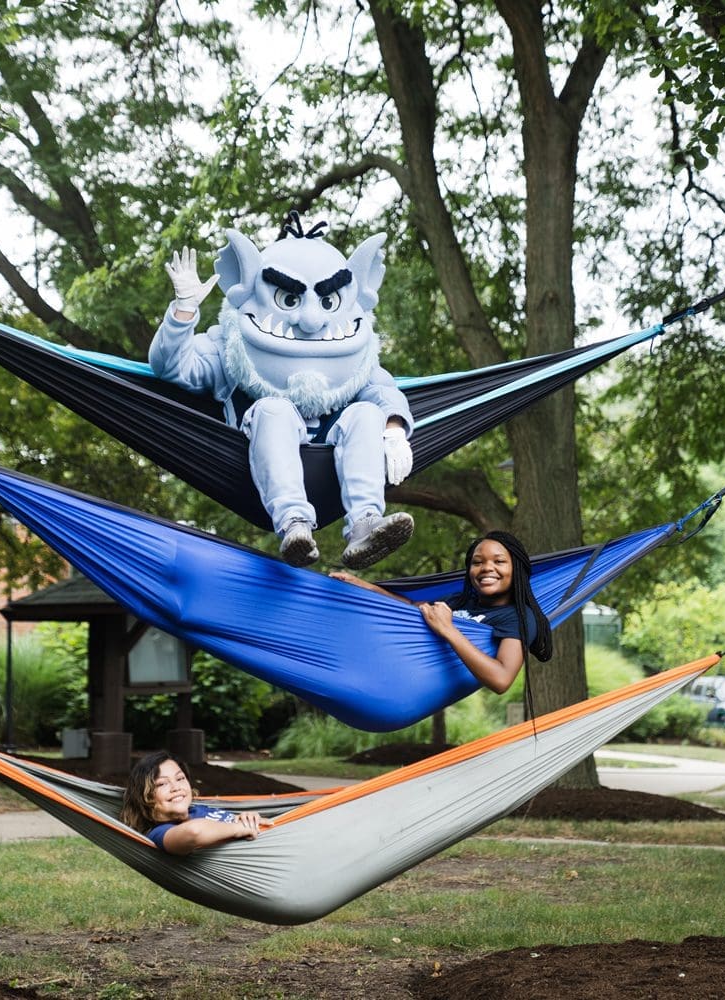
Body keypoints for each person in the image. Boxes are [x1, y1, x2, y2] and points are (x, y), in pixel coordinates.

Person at [149, 214, 415, 569]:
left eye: (327, 302)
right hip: (253, 462)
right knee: (274, 410)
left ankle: (365, 524)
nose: (310, 320)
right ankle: (294, 524)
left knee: (368, 413)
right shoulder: (228, 348)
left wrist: (395, 428)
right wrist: (184, 310)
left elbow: (383, 391)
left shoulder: (357, 362)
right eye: (289, 300)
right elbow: (172, 366)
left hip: (332, 461)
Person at [331, 530, 553, 694]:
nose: (486, 568)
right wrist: (365, 587)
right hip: (397, 676)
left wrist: (448, 629)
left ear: (517, 569)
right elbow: (410, 608)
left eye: (499, 561)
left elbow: (502, 679)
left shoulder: (519, 617)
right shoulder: (460, 601)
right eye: (477, 562)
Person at [119, 751, 265, 855]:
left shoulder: (199, 810)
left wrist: (245, 818)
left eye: (180, 778)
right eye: (162, 784)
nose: (176, 788)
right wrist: (236, 828)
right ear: (144, 797)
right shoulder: (160, 833)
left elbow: (243, 824)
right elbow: (194, 832)